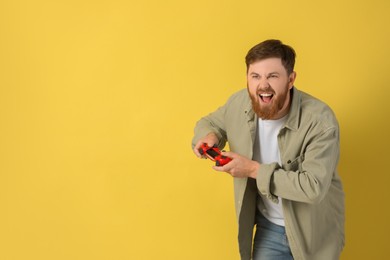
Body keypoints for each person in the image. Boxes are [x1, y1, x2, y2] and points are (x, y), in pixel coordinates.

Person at [192, 39, 345, 260]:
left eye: (272, 76)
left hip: (314, 235)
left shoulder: (320, 121)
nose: (263, 85)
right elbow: (210, 123)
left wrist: (253, 170)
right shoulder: (239, 103)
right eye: (255, 76)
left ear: (290, 79)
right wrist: (210, 135)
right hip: (269, 228)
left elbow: (313, 187)